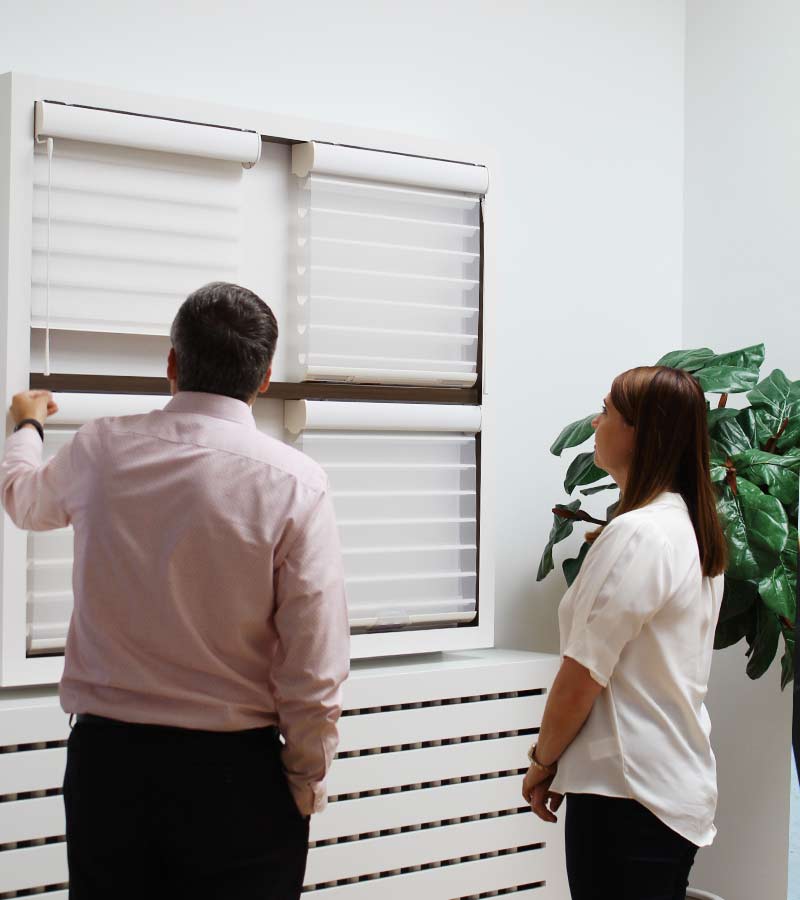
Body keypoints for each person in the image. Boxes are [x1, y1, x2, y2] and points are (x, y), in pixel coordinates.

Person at [0, 282, 350, 900]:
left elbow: (24, 502)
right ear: (264, 378)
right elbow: (314, 664)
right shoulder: (297, 483)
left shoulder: (100, 449)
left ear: (171, 363)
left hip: (110, 768)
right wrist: (303, 783)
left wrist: (25, 424)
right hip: (237, 778)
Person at [521, 366, 727, 900]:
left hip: (627, 794)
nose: (596, 420)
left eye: (608, 410)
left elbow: (582, 675)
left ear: (642, 432)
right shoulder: (688, 527)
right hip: (666, 787)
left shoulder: (638, 534)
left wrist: (543, 760)